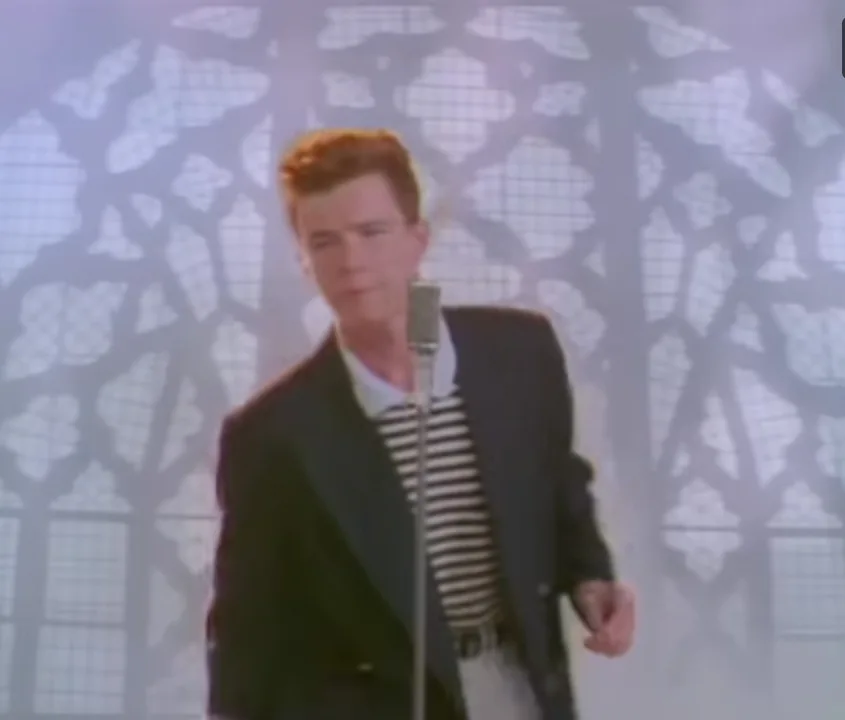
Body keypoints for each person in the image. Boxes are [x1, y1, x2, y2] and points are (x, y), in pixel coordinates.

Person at [206, 128, 635, 720]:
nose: (351, 261)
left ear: (417, 240)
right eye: (324, 242)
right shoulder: (272, 434)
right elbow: (245, 638)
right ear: (304, 261)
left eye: (371, 233)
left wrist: (590, 577)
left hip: (519, 688)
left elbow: (558, 485)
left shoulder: (519, 351)